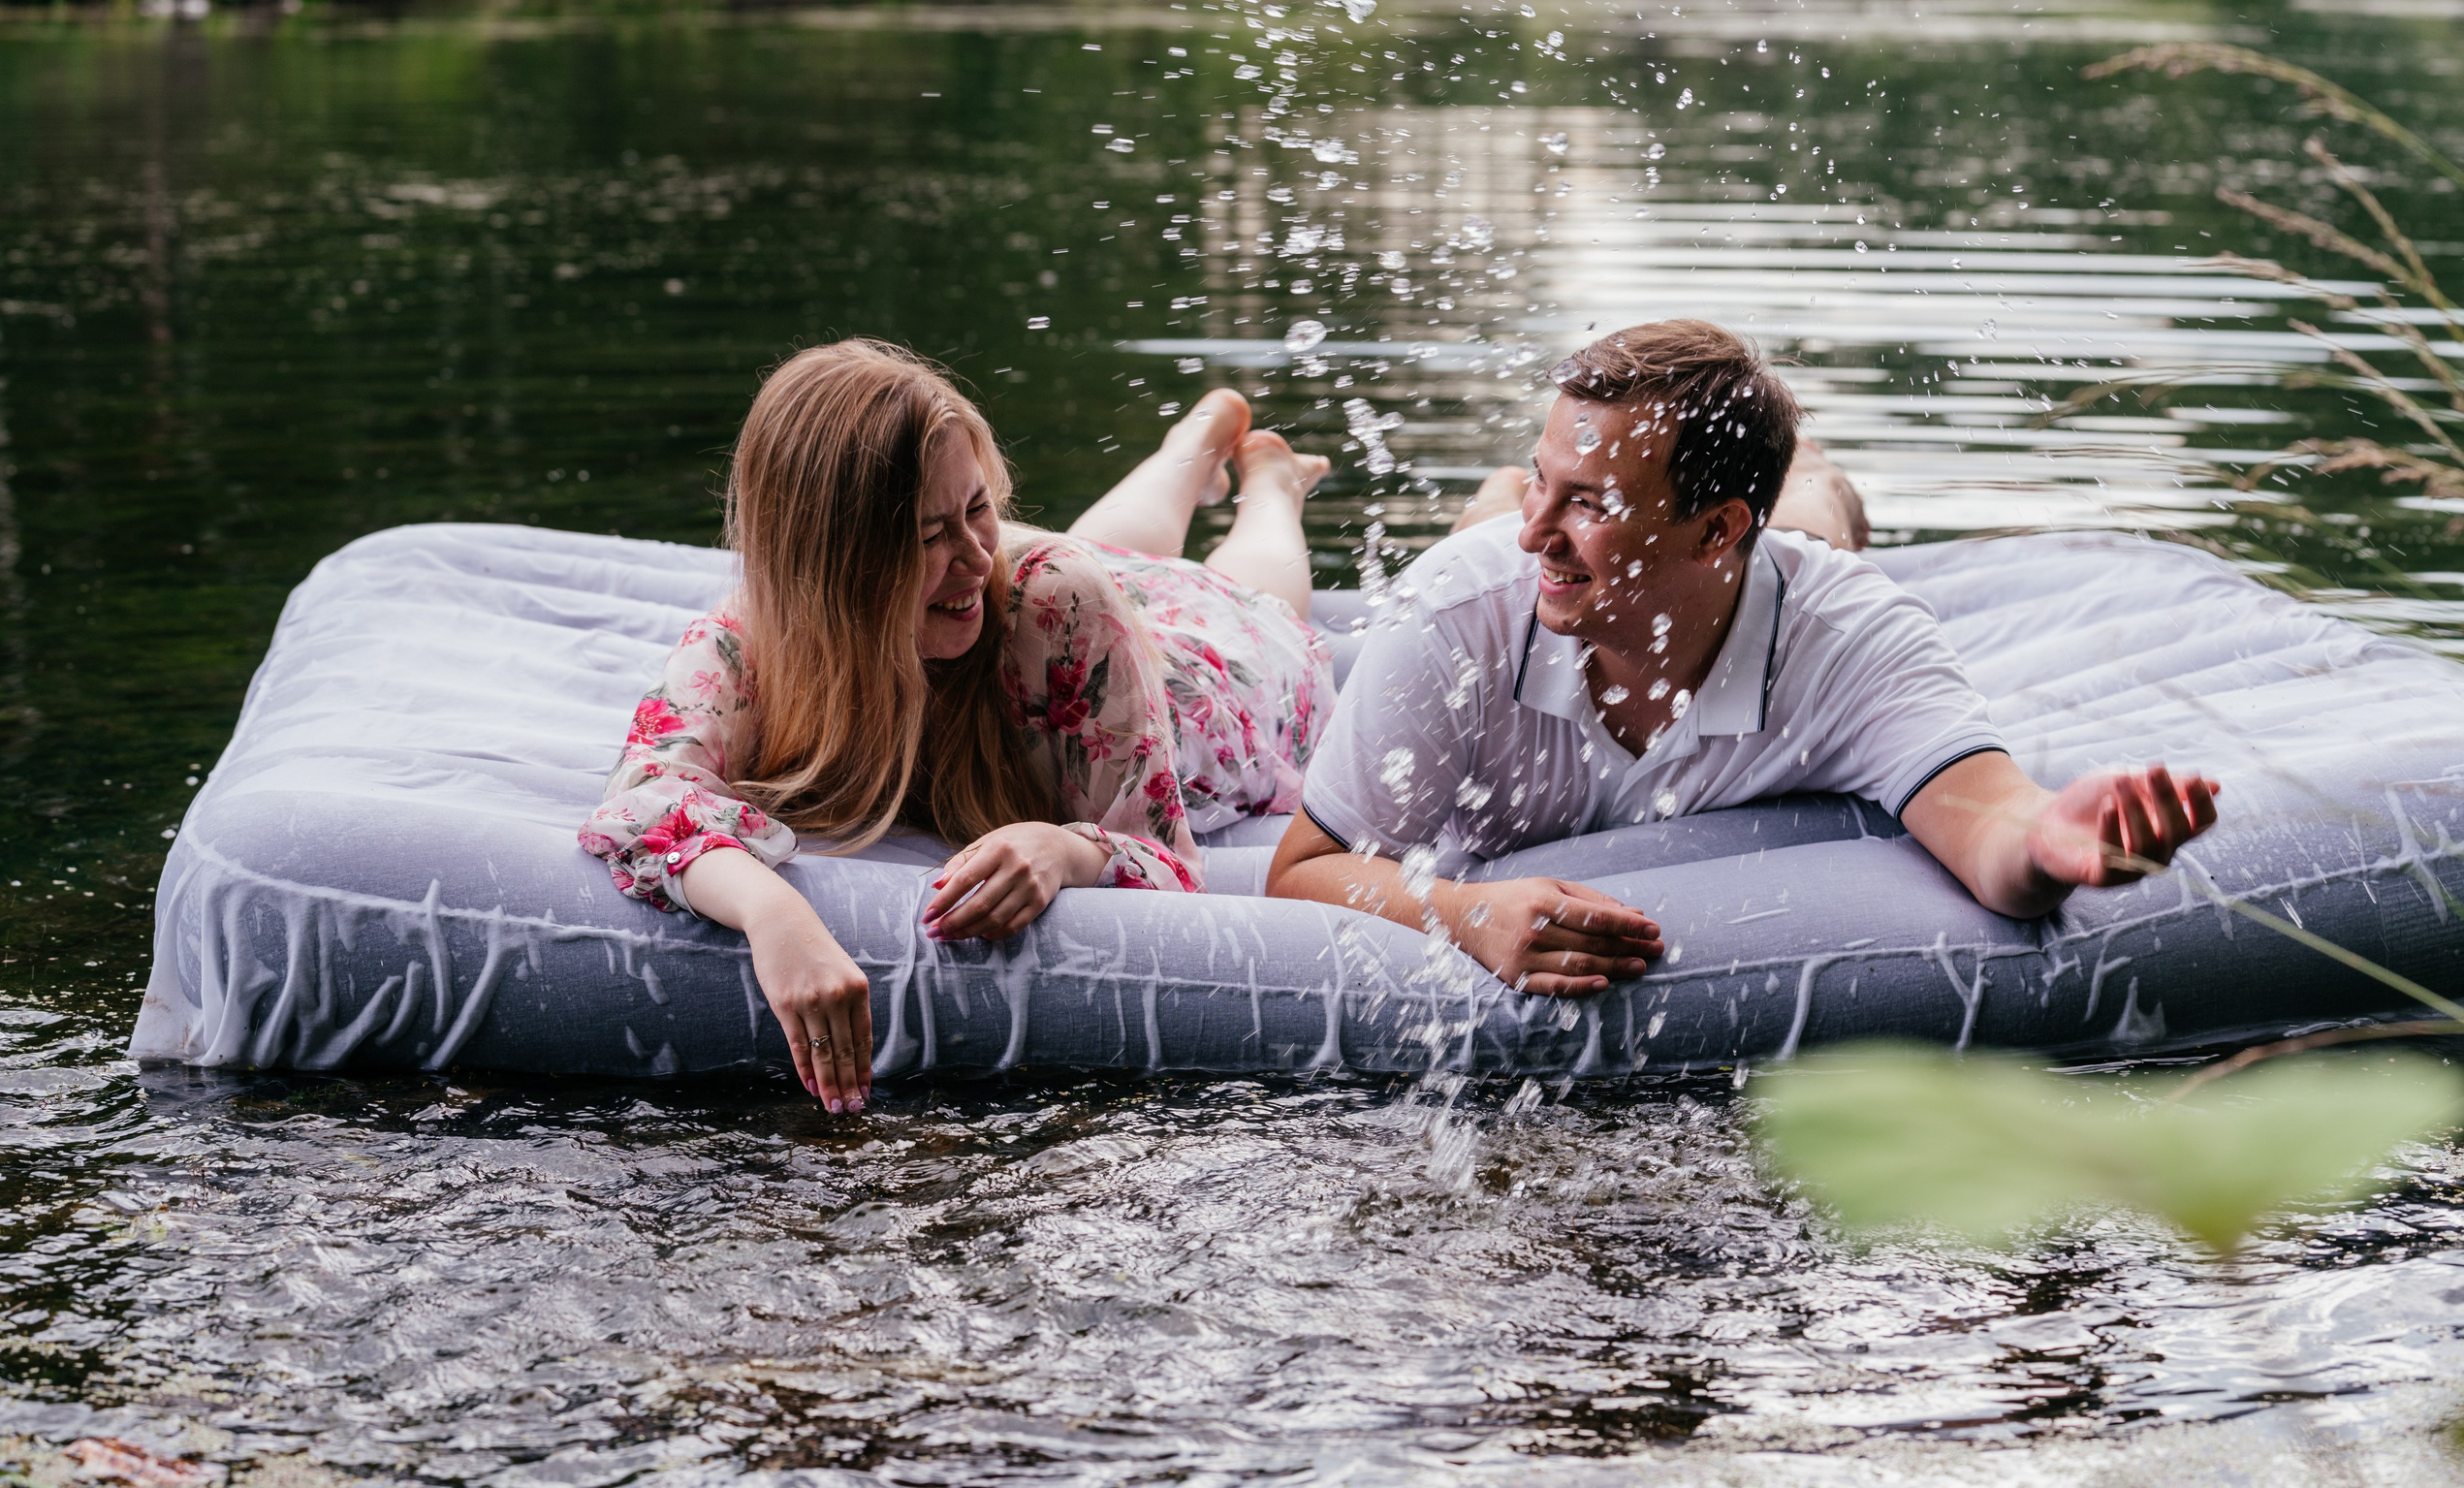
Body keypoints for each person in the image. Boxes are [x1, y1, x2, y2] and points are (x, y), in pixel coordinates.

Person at [1264, 319, 2219, 997]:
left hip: (1766, 558)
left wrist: (2054, 840)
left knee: (1817, 531)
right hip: (1579, 582)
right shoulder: (1455, 611)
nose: (1537, 536)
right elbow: (1301, 871)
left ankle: (1817, 489)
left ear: (1719, 528)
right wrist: (1463, 911)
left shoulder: (1851, 636)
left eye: (1589, 503)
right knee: (1485, 543)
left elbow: (1994, 825)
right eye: (1542, 486)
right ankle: (1499, 490)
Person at [580, 340, 1335, 1115]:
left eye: (981, 509)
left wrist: (1065, 846)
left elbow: (1167, 862)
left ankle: (1273, 484)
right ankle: (1197, 441)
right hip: (1074, 615)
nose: (975, 556)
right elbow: (645, 795)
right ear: (832, 564)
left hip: (1201, 688)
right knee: (1096, 561)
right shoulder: (753, 637)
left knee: (1243, 593)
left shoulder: (1052, 597)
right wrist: (770, 912)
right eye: (929, 534)